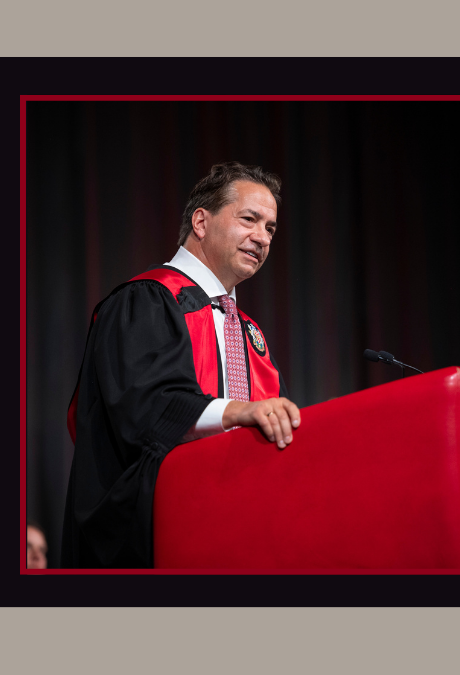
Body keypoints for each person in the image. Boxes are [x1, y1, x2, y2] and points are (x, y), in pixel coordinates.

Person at [62, 162, 300, 568]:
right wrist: (237, 412)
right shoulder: (146, 300)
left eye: (271, 229)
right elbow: (143, 409)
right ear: (201, 222)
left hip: (242, 537)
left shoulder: (249, 334)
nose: (261, 238)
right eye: (250, 219)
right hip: (148, 543)